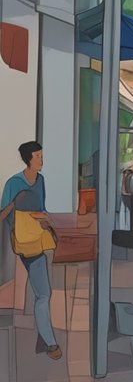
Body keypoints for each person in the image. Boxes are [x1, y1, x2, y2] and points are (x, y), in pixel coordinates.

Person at [1, 141, 61, 360]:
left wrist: (47, 219)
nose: (41, 160)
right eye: (38, 156)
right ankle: (49, 343)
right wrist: (15, 203)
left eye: (42, 156)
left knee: (39, 292)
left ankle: (42, 335)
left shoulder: (41, 180)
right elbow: (3, 214)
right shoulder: (13, 183)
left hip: (39, 238)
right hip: (21, 241)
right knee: (43, 294)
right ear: (28, 159)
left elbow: (41, 208)